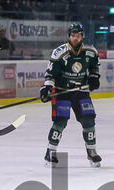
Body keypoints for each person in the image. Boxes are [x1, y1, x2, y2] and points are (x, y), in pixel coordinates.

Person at [39, 22, 101, 166]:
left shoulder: (90, 52)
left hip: (82, 92)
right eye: (73, 35)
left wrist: (94, 78)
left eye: (78, 35)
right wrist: (47, 88)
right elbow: (50, 74)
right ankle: (50, 152)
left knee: (89, 120)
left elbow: (94, 68)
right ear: (69, 36)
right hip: (62, 92)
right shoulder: (59, 52)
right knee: (60, 122)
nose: (75, 38)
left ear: (82, 36)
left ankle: (91, 152)